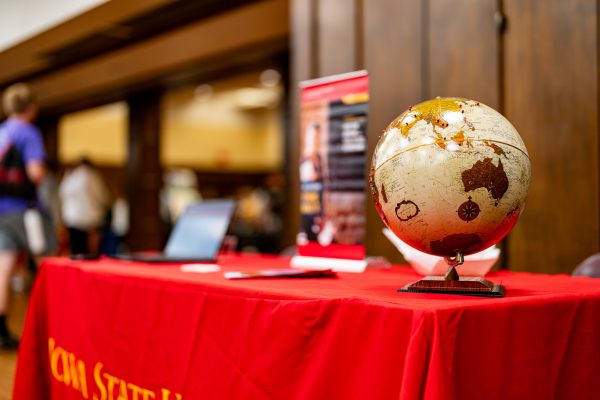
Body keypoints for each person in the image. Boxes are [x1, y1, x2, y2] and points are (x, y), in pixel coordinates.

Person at [0, 83, 50, 349]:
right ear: (31, 108)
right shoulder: (28, 133)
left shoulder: (2, 132)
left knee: (3, 268)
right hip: (24, 210)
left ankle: (1, 329)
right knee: (46, 264)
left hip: (0, 209)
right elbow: (35, 174)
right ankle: (53, 326)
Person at [59, 157, 109, 255]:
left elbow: (62, 194)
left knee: (75, 249)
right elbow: (103, 197)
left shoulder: (71, 176)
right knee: (88, 252)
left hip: (72, 219)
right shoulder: (94, 176)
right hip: (90, 220)